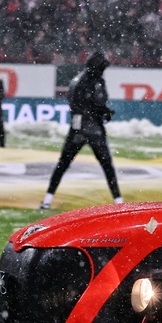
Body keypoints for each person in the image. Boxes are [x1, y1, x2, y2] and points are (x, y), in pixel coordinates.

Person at [40, 52, 122, 210]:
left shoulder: (79, 80)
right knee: (107, 166)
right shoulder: (94, 81)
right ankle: (118, 201)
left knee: (63, 164)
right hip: (93, 129)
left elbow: (76, 102)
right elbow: (96, 103)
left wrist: (98, 112)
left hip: (78, 128)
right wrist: (104, 113)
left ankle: (47, 200)